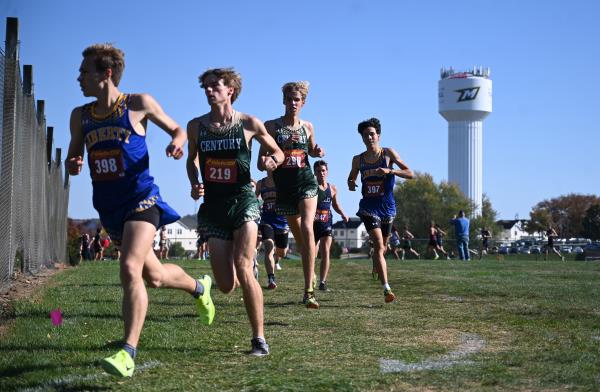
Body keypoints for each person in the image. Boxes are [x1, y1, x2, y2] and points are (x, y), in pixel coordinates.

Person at [66, 43, 214, 378]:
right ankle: (200, 288)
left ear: (106, 74)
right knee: (155, 276)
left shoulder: (137, 104)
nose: (78, 78)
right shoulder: (81, 116)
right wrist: (73, 162)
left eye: (84, 71)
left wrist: (177, 143)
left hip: (142, 200)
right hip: (109, 208)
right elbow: (74, 156)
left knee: (129, 267)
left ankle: (127, 351)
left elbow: (177, 129)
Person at [186, 67, 284, 356]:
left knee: (244, 270)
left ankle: (259, 340)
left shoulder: (249, 123)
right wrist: (195, 183)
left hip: (243, 200)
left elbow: (276, 151)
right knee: (227, 286)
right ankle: (204, 288)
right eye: (205, 87)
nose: (208, 91)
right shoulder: (196, 126)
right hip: (214, 207)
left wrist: (271, 162)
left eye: (214, 86)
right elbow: (191, 160)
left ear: (230, 90)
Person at [260, 81, 324, 309]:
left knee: (308, 228)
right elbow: (261, 162)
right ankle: (311, 272)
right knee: (300, 239)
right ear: (284, 101)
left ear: (303, 103)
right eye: (289, 99)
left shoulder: (308, 126)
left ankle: (308, 291)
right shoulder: (271, 127)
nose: (293, 103)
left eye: (297, 100)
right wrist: (270, 160)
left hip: (306, 182)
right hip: (283, 187)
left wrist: (317, 151)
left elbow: (313, 150)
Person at [347, 118, 414, 302]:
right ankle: (387, 288)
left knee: (382, 248)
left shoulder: (388, 154)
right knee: (378, 244)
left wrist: (390, 172)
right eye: (365, 135)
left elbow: (410, 173)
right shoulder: (358, 159)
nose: (369, 137)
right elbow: (351, 178)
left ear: (378, 135)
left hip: (387, 207)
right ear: (362, 138)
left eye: (371, 134)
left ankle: (376, 264)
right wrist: (351, 183)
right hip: (368, 208)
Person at [313, 160, 349, 291]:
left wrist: (343, 213)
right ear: (315, 173)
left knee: (326, 252)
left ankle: (322, 282)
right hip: (313, 225)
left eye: (323, 170)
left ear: (327, 172)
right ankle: (311, 276)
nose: (321, 173)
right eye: (318, 171)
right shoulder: (312, 187)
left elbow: (335, 205)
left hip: (327, 223)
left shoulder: (332, 188)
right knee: (312, 254)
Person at [255, 172, 289, 290]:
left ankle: (276, 259)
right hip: (266, 220)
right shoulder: (261, 183)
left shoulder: (283, 181)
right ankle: (271, 279)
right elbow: (255, 199)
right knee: (269, 245)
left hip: (282, 221)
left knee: (282, 253)